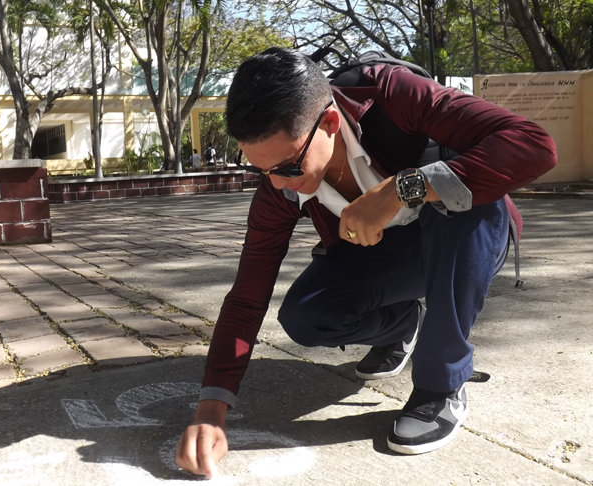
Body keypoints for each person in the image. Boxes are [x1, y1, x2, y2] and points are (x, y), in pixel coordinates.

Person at [175, 48, 556, 476]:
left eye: (288, 166)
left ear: (330, 123)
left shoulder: (391, 94)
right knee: (306, 316)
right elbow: (246, 296)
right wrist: (212, 406)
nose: (279, 183)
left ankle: (441, 385)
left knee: (461, 210)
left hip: (469, 237)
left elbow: (534, 145)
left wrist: (403, 188)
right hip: (391, 258)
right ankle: (401, 324)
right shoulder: (278, 189)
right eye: (262, 171)